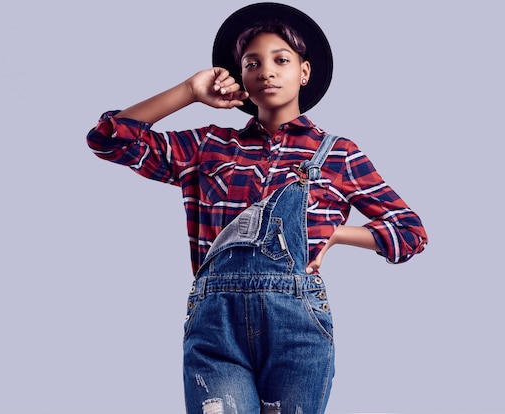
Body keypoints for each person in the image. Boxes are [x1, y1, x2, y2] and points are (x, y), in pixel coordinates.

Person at [86, 3, 428, 413]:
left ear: (303, 71)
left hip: (297, 326)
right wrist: (190, 92)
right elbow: (110, 139)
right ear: (241, 77)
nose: (266, 70)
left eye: (281, 60)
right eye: (252, 62)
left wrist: (333, 237)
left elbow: (409, 233)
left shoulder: (337, 154)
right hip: (217, 324)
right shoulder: (208, 146)